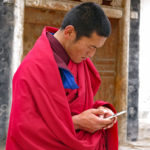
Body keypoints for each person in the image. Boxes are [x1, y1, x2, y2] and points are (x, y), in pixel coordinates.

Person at [6, 2, 118, 150]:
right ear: (69, 32)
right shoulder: (31, 70)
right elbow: (25, 130)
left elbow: (78, 105)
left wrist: (100, 113)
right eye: (91, 47)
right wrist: (76, 122)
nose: (91, 55)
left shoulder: (77, 60)